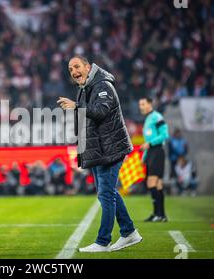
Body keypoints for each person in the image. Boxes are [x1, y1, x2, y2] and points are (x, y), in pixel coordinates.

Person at [57, 55, 141, 253]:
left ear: (87, 67)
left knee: (105, 193)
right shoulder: (86, 88)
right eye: (70, 69)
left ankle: (103, 241)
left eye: (77, 66)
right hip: (99, 150)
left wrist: (76, 106)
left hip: (111, 149)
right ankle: (129, 232)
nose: (74, 72)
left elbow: (100, 111)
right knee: (107, 193)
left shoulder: (103, 86)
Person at [139, 97, 170, 222]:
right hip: (151, 152)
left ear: (150, 104)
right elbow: (148, 142)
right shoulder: (148, 119)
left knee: (151, 182)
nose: (141, 106)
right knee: (157, 184)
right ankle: (160, 215)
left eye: (143, 104)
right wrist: (144, 156)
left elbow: (164, 135)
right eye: (140, 104)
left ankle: (158, 214)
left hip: (157, 152)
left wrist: (150, 144)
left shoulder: (157, 116)